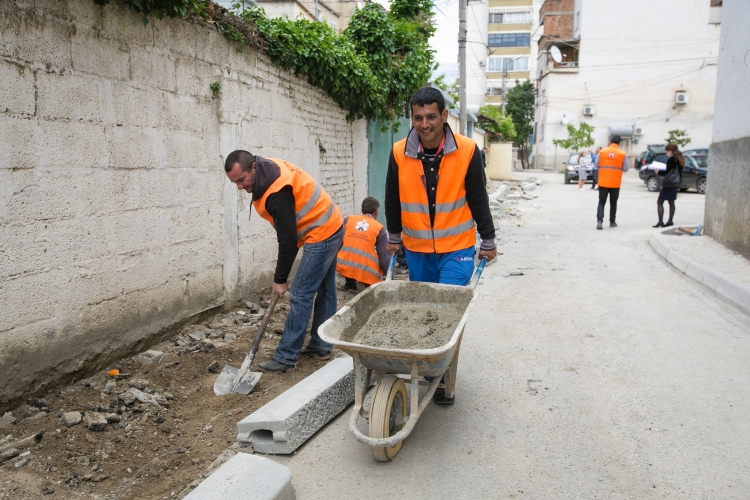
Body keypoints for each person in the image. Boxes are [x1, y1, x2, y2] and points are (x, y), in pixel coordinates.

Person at [384, 87, 497, 404]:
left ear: (444, 116)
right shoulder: (399, 152)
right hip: (417, 250)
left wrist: (487, 240)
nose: (424, 124)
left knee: (447, 314)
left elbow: (478, 199)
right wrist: (394, 236)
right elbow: (392, 197)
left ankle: (442, 376)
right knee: (424, 314)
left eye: (431, 116)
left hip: (457, 250)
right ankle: (429, 366)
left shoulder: (467, 150)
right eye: (418, 117)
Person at [224, 150, 344, 373]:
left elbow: (287, 241)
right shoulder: (266, 168)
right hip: (331, 222)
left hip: (323, 232)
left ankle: (286, 357)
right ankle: (321, 344)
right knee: (326, 288)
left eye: (241, 180)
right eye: (235, 183)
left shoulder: (276, 192)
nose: (239, 187)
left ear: (253, 167)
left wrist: (280, 280)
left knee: (300, 293)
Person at [336, 197, 389, 291]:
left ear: (362, 209)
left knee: (351, 252)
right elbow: (383, 258)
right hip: (365, 269)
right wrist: (387, 273)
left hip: (342, 263)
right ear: (376, 212)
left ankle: (350, 282)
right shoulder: (380, 229)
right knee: (375, 257)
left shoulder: (348, 220)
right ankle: (366, 283)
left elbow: (338, 242)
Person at [595, 135, 629, 230]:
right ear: (619, 143)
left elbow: (596, 164)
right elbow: (626, 168)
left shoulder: (602, 152)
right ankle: (612, 222)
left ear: (610, 141)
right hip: (615, 182)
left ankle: (600, 221)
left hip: (603, 181)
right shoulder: (622, 153)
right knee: (613, 202)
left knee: (602, 202)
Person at [653, 143, 684, 228]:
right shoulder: (680, 159)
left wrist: (658, 172)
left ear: (670, 151)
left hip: (668, 183)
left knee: (660, 202)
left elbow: (667, 172)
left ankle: (660, 221)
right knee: (671, 202)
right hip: (676, 182)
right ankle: (670, 220)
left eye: (667, 151)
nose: (666, 153)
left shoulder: (671, 159)